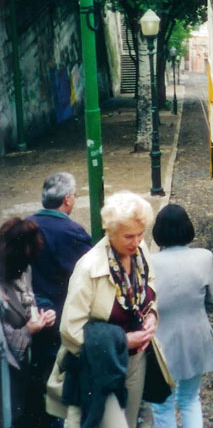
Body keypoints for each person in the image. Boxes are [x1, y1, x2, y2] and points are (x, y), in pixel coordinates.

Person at [46, 191, 170, 428]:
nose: (136, 242)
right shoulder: (88, 269)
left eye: (140, 234)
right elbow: (70, 331)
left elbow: (149, 287)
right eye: (128, 236)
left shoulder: (140, 251)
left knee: (130, 422)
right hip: (100, 365)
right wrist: (123, 341)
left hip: (136, 360)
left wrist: (152, 314)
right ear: (110, 233)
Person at [27, 172, 93, 428]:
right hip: (61, 312)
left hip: (32, 313)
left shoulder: (26, 225)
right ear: (67, 200)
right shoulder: (73, 232)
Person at [150, 203, 213, 428]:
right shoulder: (204, 257)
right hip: (195, 336)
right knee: (190, 399)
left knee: (162, 404)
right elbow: (212, 302)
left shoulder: (149, 263)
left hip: (161, 342)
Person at [0, 217, 56, 427]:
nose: (26, 270)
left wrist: (41, 315)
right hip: (9, 371)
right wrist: (30, 328)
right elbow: (8, 342)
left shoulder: (24, 268)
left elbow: (28, 296)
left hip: (27, 365)